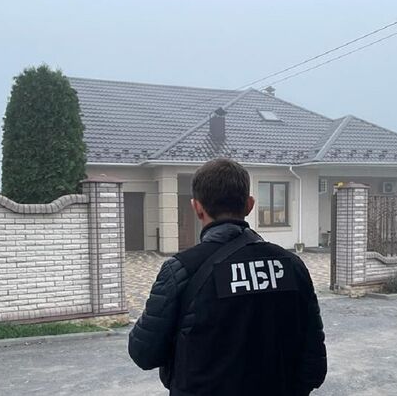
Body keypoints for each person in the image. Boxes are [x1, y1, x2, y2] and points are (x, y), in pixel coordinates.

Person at [128, 158, 327, 396]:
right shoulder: (292, 266)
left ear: (197, 207)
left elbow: (144, 353)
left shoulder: (181, 270)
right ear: (250, 205)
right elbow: (314, 365)